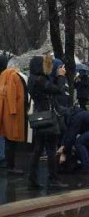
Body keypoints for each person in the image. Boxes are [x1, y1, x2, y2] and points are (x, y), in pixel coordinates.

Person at [26, 56, 69, 189]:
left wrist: (55, 77)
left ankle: (32, 179)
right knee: (51, 148)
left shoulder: (33, 79)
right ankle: (53, 178)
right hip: (48, 118)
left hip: (39, 116)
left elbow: (50, 88)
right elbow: (58, 90)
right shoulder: (40, 80)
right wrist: (61, 77)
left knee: (38, 149)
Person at [0, 60, 28, 173]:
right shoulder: (13, 75)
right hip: (13, 113)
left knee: (8, 139)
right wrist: (13, 110)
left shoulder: (4, 75)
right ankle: (11, 166)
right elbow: (12, 94)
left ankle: (8, 164)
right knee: (11, 140)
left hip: (6, 112)